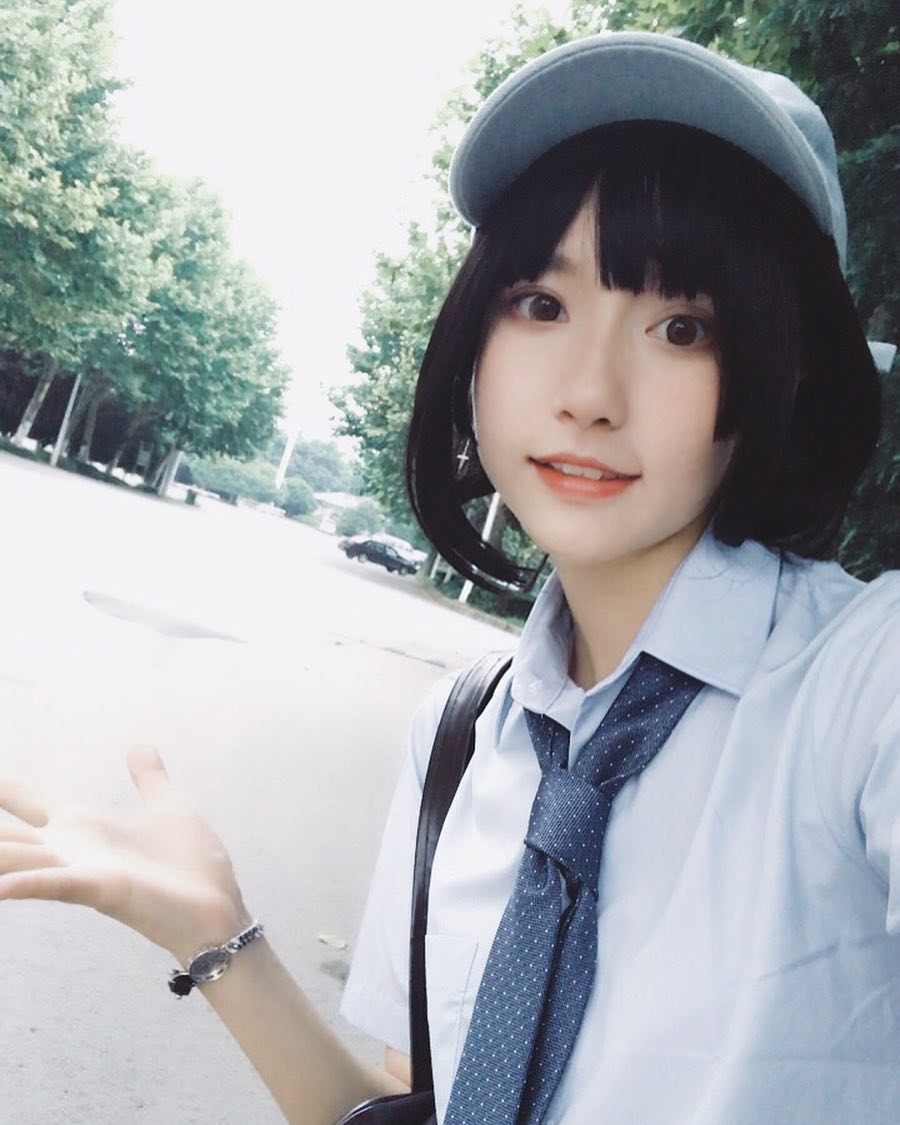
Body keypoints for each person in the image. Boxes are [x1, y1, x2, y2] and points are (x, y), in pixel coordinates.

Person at [0, 30, 897, 1125]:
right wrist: (216, 935)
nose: (589, 393)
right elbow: (416, 1103)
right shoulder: (463, 735)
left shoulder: (859, 690)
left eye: (681, 327)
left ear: (785, 373)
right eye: (543, 304)